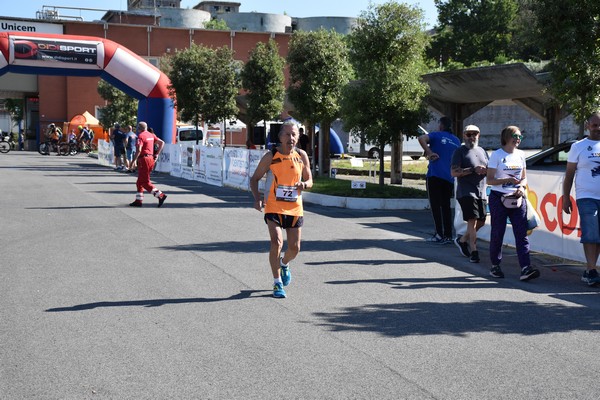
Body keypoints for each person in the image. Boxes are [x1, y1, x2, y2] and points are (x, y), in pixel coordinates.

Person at [250, 122, 313, 298]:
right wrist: (257, 199)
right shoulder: (271, 156)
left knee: (295, 248)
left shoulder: (301, 155)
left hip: (294, 208)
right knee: (276, 242)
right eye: (287, 135)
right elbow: (254, 179)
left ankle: (284, 264)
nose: (290, 138)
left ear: (298, 137)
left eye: (294, 135)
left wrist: (304, 184)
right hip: (274, 207)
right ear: (279, 137)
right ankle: (277, 283)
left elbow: (310, 180)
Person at [486, 126, 539, 281]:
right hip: (498, 198)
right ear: (507, 137)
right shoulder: (497, 155)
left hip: (517, 199)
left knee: (521, 234)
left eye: (520, 137)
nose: (518, 140)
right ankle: (495, 265)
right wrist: (506, 180)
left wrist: (522, 187)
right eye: (516, 137)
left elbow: (524, 177)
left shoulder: (521, 155)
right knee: (498, 232)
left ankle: (525, 268)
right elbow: (489, 180)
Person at [562, 111, 600, 286]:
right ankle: (592, 270)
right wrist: (566, 198)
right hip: (586, 197)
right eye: (595, 125)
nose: (598, 128)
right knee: (591, 232)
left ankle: (589, 269)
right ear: (587, 126)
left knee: (597, 235)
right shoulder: (578, 147)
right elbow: (569, 175)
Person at [418, 116, 461, 243]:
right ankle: (448, 235)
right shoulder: (456, 140)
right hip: (449, 177)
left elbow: (421, 138)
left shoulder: (437, 135)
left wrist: (429, 152)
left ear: (441, 126)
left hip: (435, 175)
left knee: (435, 205)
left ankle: (439, 234)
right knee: (446, 206)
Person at [451, 125, 489, 263]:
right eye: (469, 134)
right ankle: (474, 251)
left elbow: (489, 168)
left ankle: (462, 240)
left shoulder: (482, 151)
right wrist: (473, 169)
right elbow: (454, 172)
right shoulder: (459, 151)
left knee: (482, 221)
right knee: (472, 220)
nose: (472, 137)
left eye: (475, 134)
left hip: (481, 191)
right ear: (464, 135)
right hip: (466, 191)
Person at [129, 121, 167, 208]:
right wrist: (156, 154)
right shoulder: (151, 135)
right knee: (139, 182)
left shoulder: (141, 136)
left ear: (139, 128)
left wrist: (133, 162)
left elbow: (139, 150)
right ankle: (138, 200)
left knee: (144, 182)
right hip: (150, 159)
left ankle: (160, 195)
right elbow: (162, 143)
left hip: (144, 159)